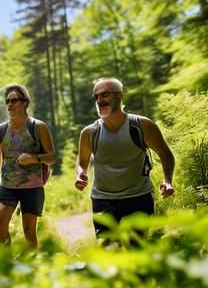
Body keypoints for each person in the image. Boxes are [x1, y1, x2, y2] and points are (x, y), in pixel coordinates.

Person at [74, 77, 175, 234]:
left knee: (136, 250)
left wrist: (168, 181)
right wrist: (81, 174)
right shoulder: (89, 133)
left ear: (120, 95)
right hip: (103, 201)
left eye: (105, 95)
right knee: (108, 250)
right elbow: (82, 162)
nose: (99, 100)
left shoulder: (142, 126)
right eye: (96, 97)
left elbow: (166, 154)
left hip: (139, 198)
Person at [0, 84, 56, 248]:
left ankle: (31, 268)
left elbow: (52, 157)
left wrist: (33, 158)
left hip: (32, 187)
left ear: (25, 103)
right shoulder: (0, 130)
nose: (10, 104)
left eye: (14, 100)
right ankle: (7, 262)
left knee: (29, 232)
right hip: (7, 185)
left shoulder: (38, 127)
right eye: (8, 101)